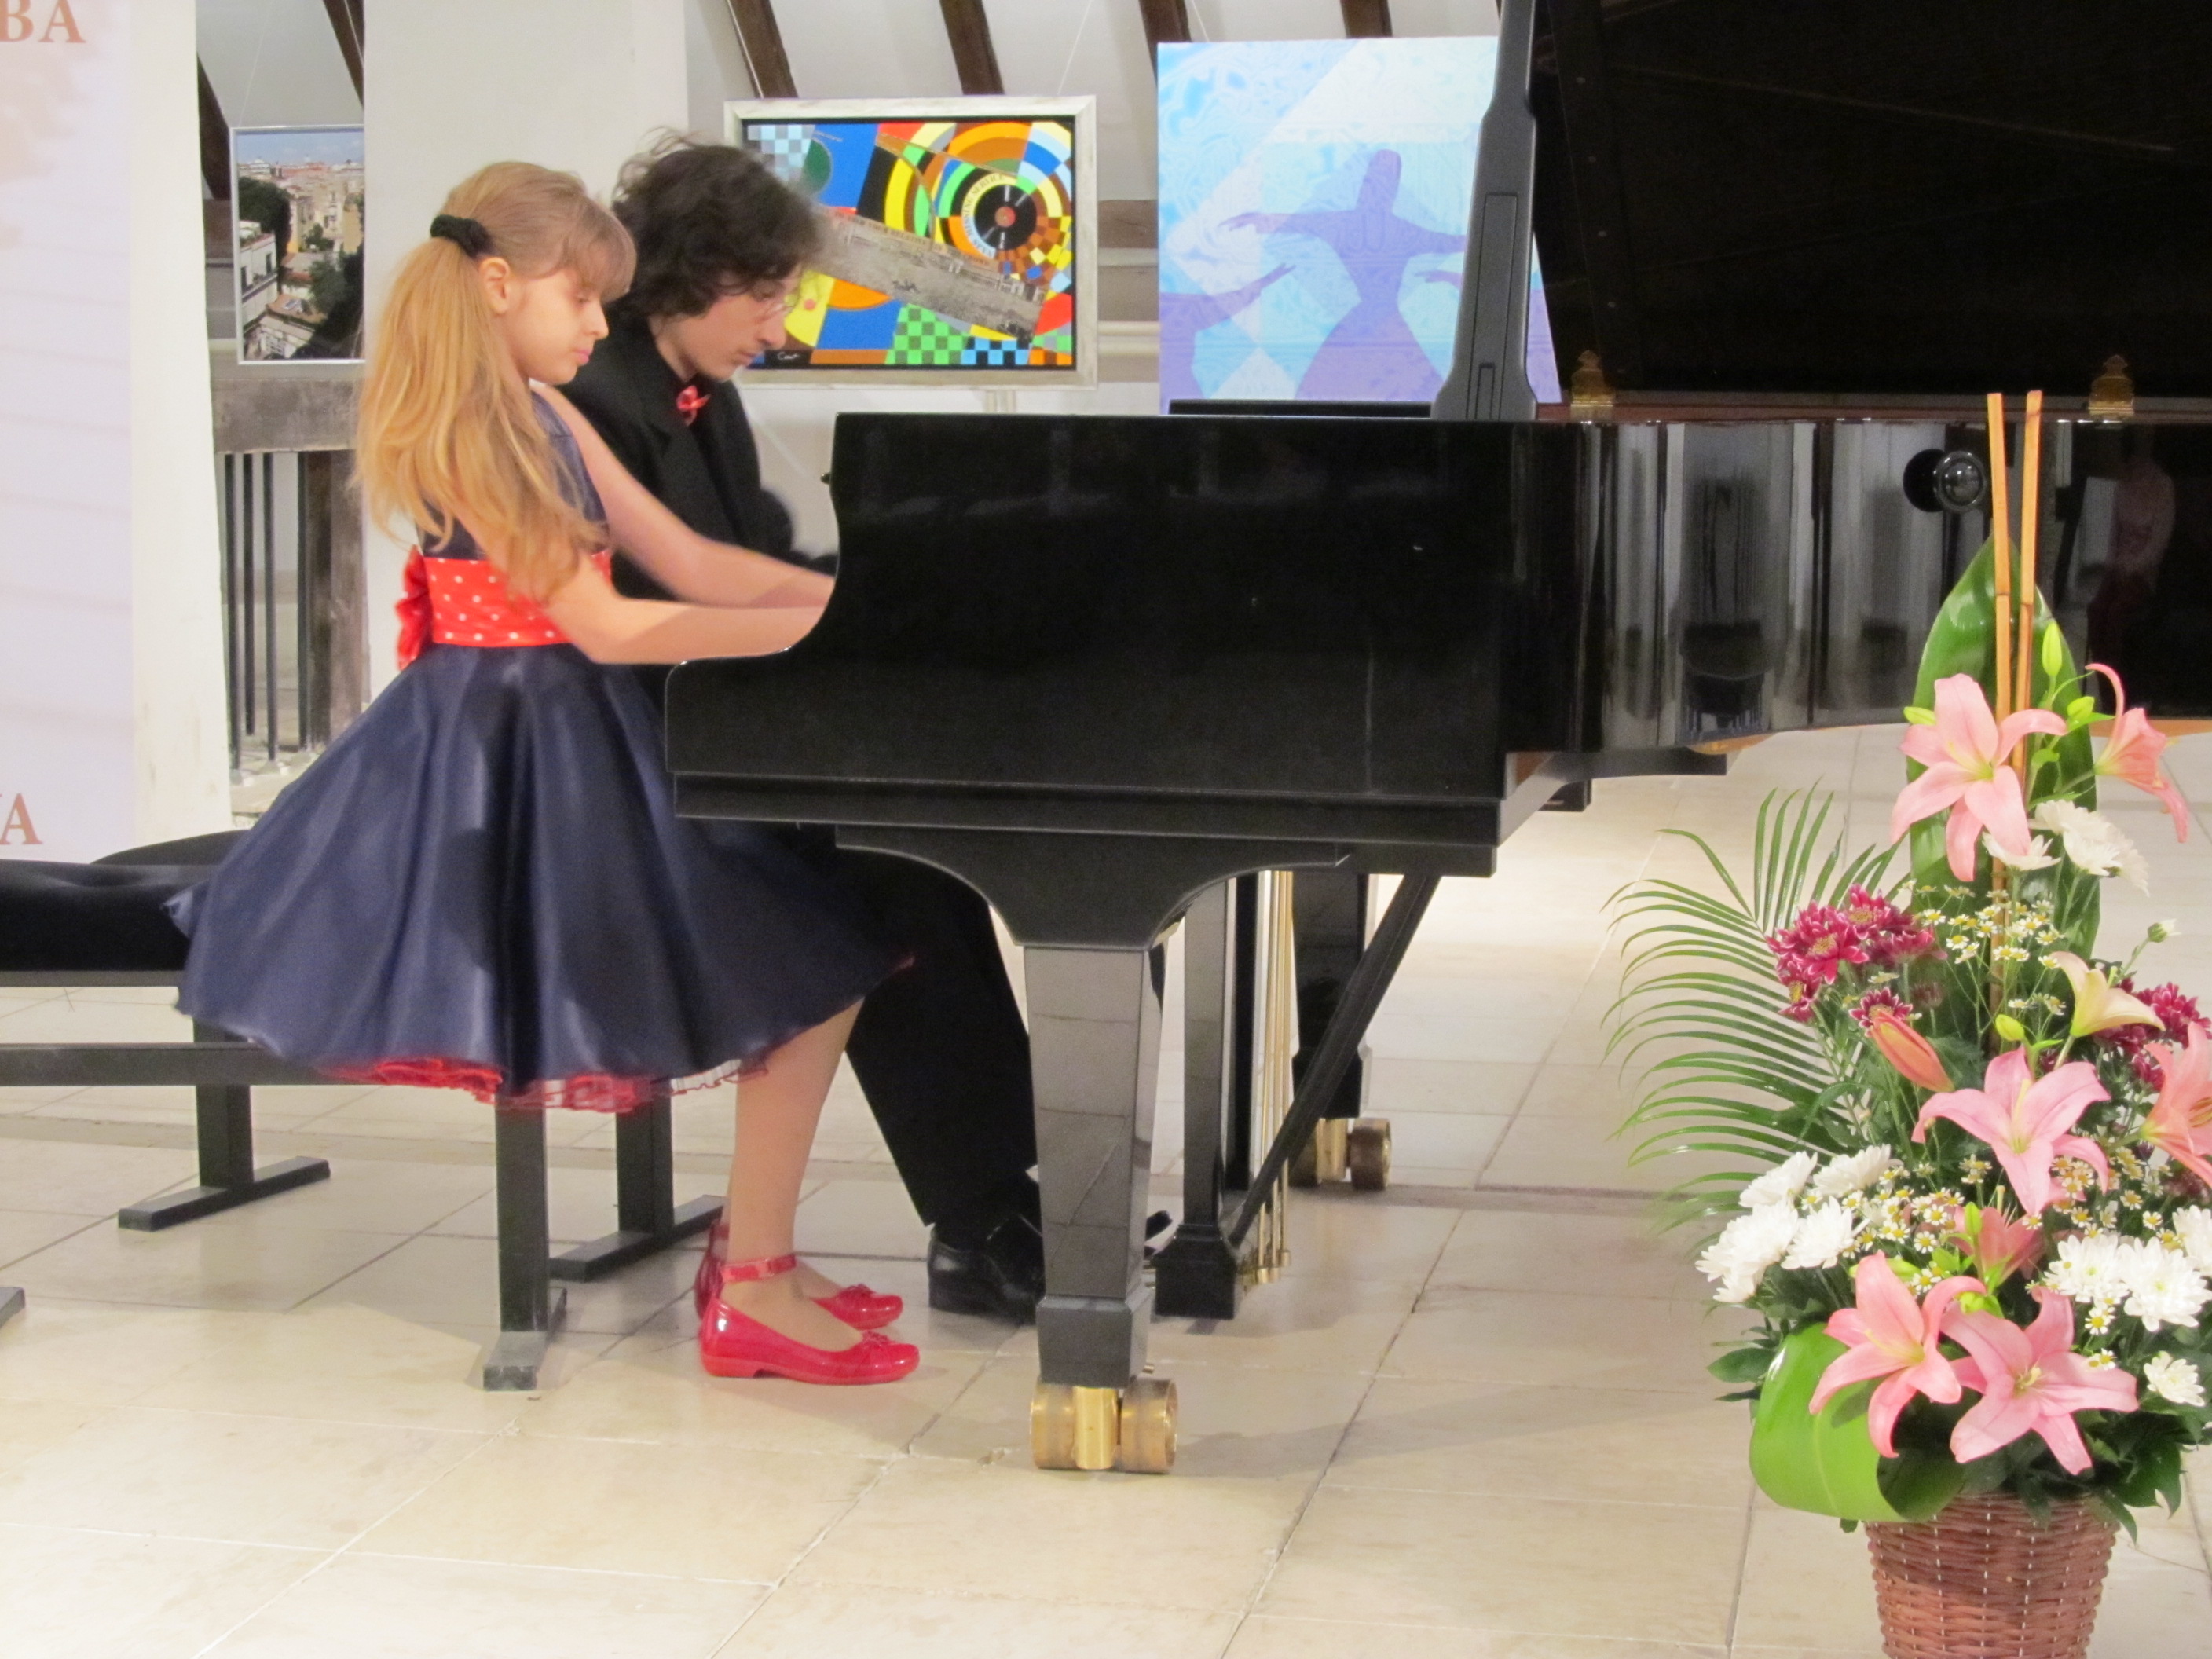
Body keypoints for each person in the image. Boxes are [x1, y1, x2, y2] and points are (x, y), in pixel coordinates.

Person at [170, 162, 917, 1386]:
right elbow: (611, 627)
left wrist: (871, 604)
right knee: (809, 962)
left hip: (565, 729)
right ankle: (754, 1282)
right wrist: (827, 632)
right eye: (581, 300)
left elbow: (690, 562)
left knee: (812, 963)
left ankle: (756, 1260)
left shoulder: (540, 404)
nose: (596, 328)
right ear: (499, 284)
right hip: (513, 754)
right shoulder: (481, 424)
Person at [562, 139, 1049, 1323]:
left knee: (919, 862)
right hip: (623, 755)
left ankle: (997, 1200)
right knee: (885, 877)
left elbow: (754, 560)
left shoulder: (696, 393)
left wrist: (882, 596)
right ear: (697, 270)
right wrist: (857, 614)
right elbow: (663, 601)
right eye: (767, 298)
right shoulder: (596, 396)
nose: (779, 330)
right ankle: (980, 1214)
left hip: (705, 724)